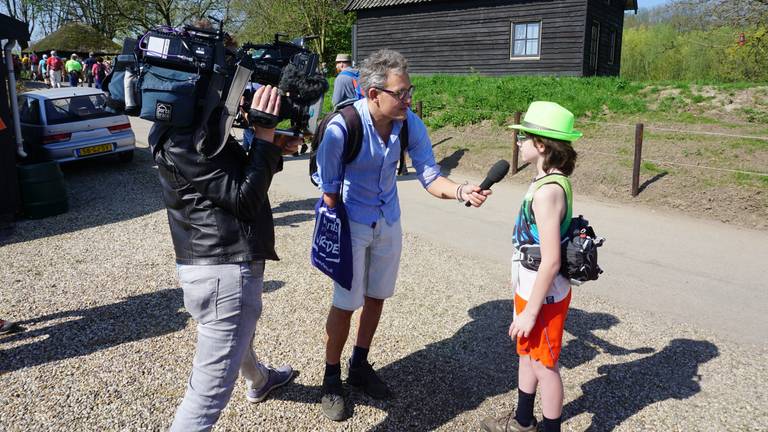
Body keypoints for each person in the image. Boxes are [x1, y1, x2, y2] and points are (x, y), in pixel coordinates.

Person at [315, 49, 492, 421]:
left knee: (377, 296)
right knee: (347, 302)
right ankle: (331, 379)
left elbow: (429, 175)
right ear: (373, 94)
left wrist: (461, 191)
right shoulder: (340, 128)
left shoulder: (410, 122)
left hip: (388, 220)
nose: (408, 99)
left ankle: (359, 366)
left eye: (409, 90)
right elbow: (329, 193)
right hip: (351, 222)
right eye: (401, 93)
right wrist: (333, 243)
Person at [151, 83, 300, 431]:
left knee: (237, 333)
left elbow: (228, 181)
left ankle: (260, 380)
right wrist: (263, 136)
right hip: (224, 270)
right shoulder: (185, 136)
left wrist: (270, 149)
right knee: (206, 396)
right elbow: (243, 198)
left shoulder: (184, 126)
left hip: (210, 264)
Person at [480, 101, 582, 432]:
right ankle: (523, 421)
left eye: (524, 137)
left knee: (544, 366)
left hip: (545, 296)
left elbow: (551, 260)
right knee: (527, 355)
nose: (519, 142)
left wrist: (529, 312)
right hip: (530, 289)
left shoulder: (548, 192)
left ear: (541, 145)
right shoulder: (545, 180)